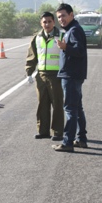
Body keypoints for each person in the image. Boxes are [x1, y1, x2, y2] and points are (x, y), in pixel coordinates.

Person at [52, 3, 88, 152]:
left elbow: (79, 50)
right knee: (77, 109)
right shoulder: (71, 30)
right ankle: (81, 139)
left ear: (71, 15)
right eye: (59, 17)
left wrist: (65, 47)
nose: (61, 19)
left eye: (64, 16)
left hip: (71, 75)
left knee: (70, 110)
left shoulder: (74, 31)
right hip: (73, 75)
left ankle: (67, 142)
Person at [25, 11, 64, 141]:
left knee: (57, 104)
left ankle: (58, 132)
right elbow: (32, 57)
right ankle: (43, 131)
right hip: (41, 76)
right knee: (42, 104)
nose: (47, 24)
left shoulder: (62, 35)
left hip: (56, 76)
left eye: (49, 21)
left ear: (54, 22)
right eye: (44, 22)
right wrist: (29, 73)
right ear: (41, 23)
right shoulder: (37, 38)